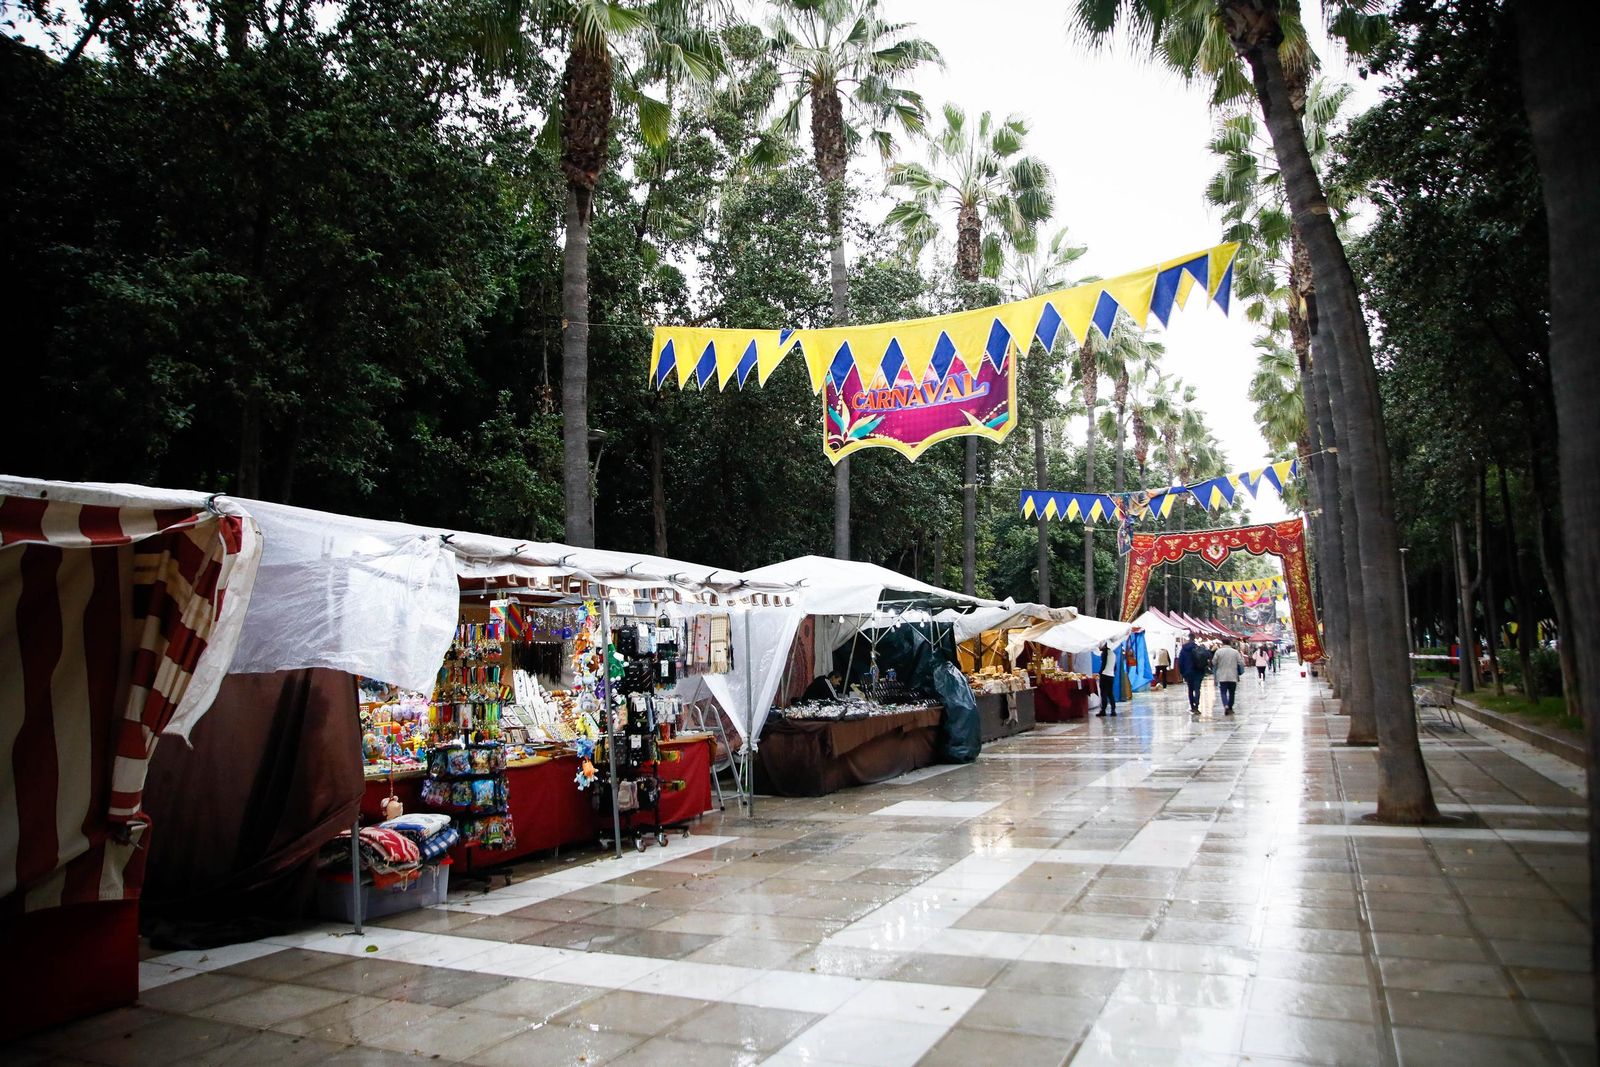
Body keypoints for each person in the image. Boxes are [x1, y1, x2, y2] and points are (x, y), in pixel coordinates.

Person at [1176, 634, 1208, 714]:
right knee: (1197, 689)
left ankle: (1192, 706)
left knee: (1190, 689)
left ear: (1188, 638)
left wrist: (1182, 673)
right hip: (1198, 671)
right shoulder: (1198, 648)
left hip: (1188, 672)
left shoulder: (1183, 649)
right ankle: (1196, 705)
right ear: (1194, 638)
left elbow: (1180, 662)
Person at [1213, 639, 1244, 714]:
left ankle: (1225, 705)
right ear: (1230, 643)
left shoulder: (1218, 652)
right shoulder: (1235, 652)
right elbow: (1241, 662)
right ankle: (1230, 707)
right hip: (1233, 675)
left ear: (1222, 643)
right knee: (1232, 692)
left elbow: (1214, 662)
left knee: (1223, 692)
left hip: (1222, 675)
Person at [1096, 641, 1119, 716]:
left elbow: (1104, 664)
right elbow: (1115, 667)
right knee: (1110, 693)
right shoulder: (1113, 654)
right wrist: (1111, 672)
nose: (1099, 648)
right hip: (1111, 676)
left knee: (1104, 694)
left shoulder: (1105, 653)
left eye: (1100, 646)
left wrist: (1100, 673)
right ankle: (1113, 710)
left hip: (1105, 675)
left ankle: (1103, 710)